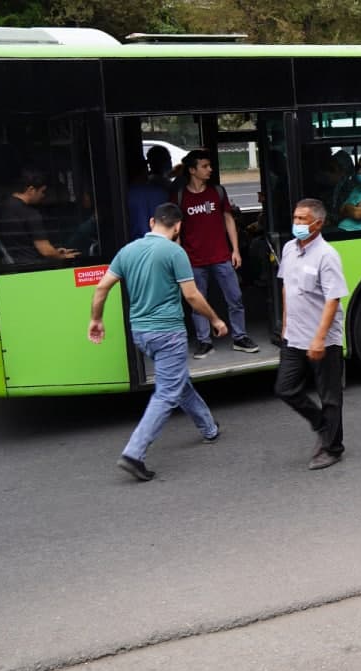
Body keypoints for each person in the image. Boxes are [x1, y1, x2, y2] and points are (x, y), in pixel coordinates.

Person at [87, 203, 227, 482]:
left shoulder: (127, 251)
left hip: (140, 333)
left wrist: (96, 319)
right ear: (178, 227)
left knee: (177, 381)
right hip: (168, 333)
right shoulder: (175, 252)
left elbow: (102, 287)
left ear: (152, 222)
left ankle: (209, 428)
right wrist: (215, 319)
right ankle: (134, 453)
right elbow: (192, 296)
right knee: (167, 393)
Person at [275, 199, 350, 471]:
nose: (297, 224)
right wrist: (284, 325)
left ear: (318, 224)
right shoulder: (288, 249)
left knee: (329, 396)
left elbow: (333, 299)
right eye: (295, 218)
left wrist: (319, 339)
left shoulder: (327, 255)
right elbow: (286, 288)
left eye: (302, 220)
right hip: (294, 336)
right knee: (284, 388)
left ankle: (332, 448)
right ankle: (321, 425)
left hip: (322, 339)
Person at [172, 149, 259, 359]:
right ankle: (204, 342)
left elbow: (228, 219)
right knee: (197, 301)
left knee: (235, 298)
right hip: (193, 259)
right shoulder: (179, 196)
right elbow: (176, 229)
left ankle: (240, 337)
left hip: (221, 256)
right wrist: (178, 255)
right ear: (192, 170)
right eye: (204, 166)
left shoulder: (217, 192)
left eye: (209, 166)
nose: (210, 170)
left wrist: (235, 250)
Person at [0, 169, 80, 266]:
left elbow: (21, 243)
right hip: (33, 266)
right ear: (31, 190)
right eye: (42, 191)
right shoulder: (30, 213)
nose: (43, 196)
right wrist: (62, 257)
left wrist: (55, 252)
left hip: (12, 265)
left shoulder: (3, 206)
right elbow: (46, 251)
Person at [127, 157, 166, 241]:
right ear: (144, 171)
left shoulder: (124, 195)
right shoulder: (160, 193)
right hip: (158, 243)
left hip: (133, 244)